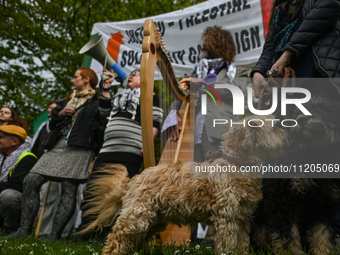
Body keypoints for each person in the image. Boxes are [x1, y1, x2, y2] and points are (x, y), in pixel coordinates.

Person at [162, 25, 248, 243]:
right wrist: (174, 115)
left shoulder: (238, 70)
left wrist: (201, 84)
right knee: (192, 186)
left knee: (220, 186)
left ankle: (217, 237)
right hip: (194, 135)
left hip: (220, 134)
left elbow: (235, 93)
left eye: (207, 40)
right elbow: (180, 93)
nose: (203, 44)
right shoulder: (197, 70)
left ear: (219, 44)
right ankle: (186, 238)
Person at [11, 67, 105, 240]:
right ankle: (24, 231)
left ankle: (55, 236)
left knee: (68, 189)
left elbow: (102, 124)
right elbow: (53, 121)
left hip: (80, 148)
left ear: (86, 80)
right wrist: (59, 113)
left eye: (76, 77)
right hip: (58, 146)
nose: (72, 80)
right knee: (31, 180)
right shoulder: (67, 101)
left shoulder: (96, 103)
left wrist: (96, 151)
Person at [72, 68, 163, 241]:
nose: (131, 76)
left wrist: (147, 143)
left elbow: (155, 121)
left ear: (145, 80)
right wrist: (105, 89)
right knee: (93, 190)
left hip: (130, 151)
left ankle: (109, 235)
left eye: (135, 75)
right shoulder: (119, 97)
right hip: (107, 150)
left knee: (120, 192)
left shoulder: (152, 97)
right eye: (131, 74)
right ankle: (87, 231)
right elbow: (104, 114)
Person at [251, 0, 340, 104]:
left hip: (316, 80)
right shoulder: (280, 9)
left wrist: (287, 54)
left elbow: (324, 12)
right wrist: (258, 73)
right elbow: (270, 48)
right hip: (284, 87)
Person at [0, 125, 37, 235]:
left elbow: (16, 185)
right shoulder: (2, 156)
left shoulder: (28, 158)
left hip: (18, 204)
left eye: (0, 137)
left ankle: (9, 227)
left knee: (9, 196)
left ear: (14, 141)